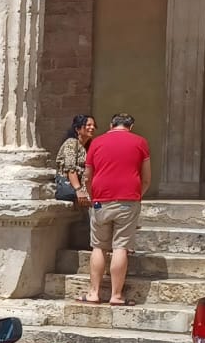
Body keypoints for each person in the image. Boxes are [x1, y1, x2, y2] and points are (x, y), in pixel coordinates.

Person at [84, 113, 151, 306]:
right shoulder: (140, 142)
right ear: (131, 126)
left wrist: (91, 195)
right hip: (128, 199)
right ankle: (116, 295)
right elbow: (146, 178)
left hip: (101, 199)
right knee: (121, 246)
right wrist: (138, 195)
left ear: (111, 124)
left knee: (98, 246)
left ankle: (94, 293)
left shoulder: (96, 142)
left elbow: (88, 174)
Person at [54, 114, 95, 206]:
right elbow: (70, 168)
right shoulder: (71, 144)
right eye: (88, 125)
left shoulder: (87, 146)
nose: (92, 128)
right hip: (74, 190)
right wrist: (78, 189)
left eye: (93, 125)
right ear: (78, 129)